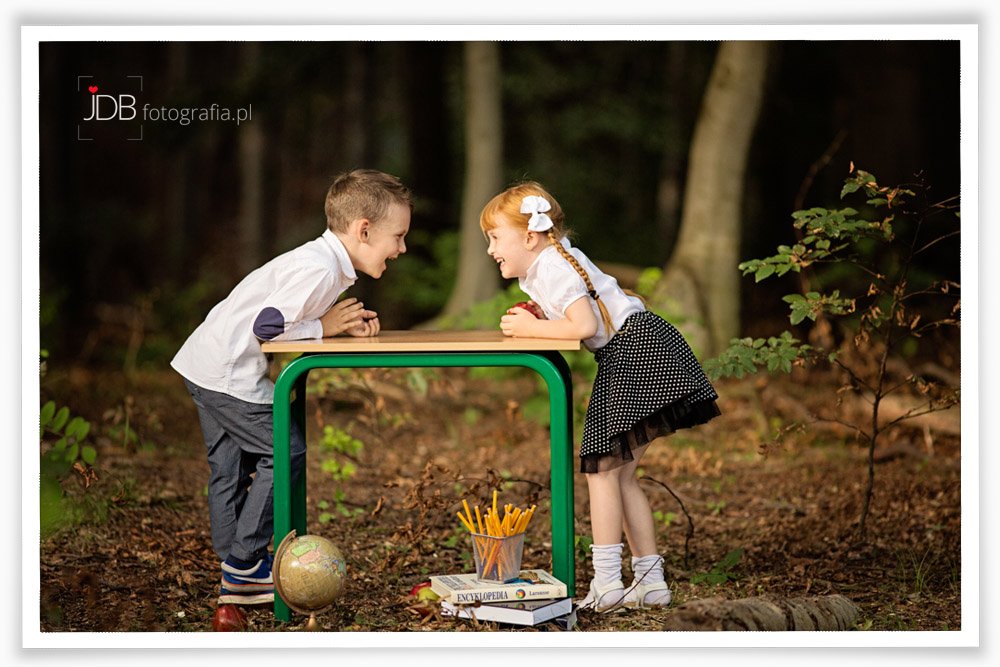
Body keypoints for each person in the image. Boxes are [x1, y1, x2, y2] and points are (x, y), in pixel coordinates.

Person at [171, 169, 412, 605]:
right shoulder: (319, 269)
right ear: (364, 230)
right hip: (229, 373)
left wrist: (335, 325)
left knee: (229, 469)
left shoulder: (320, 261)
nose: (402, 248)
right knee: (285, 450)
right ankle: (244, 566)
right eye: (397, 236)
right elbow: (268, 327)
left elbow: (284, 317)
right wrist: (324, 326)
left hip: (205, 362)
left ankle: (235, 572)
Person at [480, 181, 720, 612]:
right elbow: (583, 312)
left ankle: (608, 583)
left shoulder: (553, 267)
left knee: (602, 472)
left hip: (634, 353)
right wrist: (538, 315)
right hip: (642, 346)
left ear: (529, 237)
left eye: (496, 238)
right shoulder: (552, 263)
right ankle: (651, 582)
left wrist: (532, 328)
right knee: (620, 475)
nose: (491, 249)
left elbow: (584, 327)